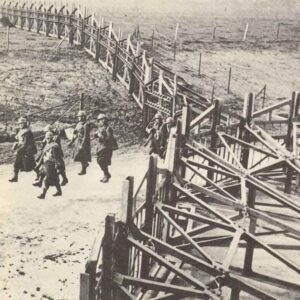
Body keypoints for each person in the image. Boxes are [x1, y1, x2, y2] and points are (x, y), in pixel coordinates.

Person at [9, 117, 37, 182]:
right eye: (20, 124)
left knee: (32, 164)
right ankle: (15, 177)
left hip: (27, 150)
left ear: (25, 123)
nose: (21, 125)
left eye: (22, 123)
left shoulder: (28, 132)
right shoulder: (20, 131)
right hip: (21, 149)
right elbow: (20, 140)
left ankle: (39, 174)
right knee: (16, 164)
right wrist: (16, 144)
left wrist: (18, 150)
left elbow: (26, 143)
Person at [37, 131, 63, 199]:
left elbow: (57, 157)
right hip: (47, 163)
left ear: (52, 138)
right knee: (55, 178)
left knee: (47, 179)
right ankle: (59, 191)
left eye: (49, 138)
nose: (47, 139)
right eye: (46, 138)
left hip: (51, 164)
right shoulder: (47, 145)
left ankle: (43, 194)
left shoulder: (54, 146)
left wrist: (58, 166)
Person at [95, 114, 117, 183]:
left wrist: (100, 136)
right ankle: (106, 173)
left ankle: (106, 175)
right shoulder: (100, 128)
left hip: (107, 147)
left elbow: (109, 138)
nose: (102, 121)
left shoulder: (108, 128)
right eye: (100, 120)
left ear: (106, 120)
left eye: (103, 119)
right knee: (99, 160)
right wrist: (95, 135)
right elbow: (98, 135)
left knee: (102, 161)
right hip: (101, 147)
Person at [68, 110, 91, 175]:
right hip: (78, 141)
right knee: (80, 156)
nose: (79, 118)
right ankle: (84, 168)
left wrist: (82, 144)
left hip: (84, 142)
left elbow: (86, 135)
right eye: (78, 116)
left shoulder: (86, 124)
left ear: (83, 117)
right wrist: (71, 142)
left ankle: (84, 167)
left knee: (81, 154)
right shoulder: (78, 124)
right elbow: (75, 133)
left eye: (80, 116)